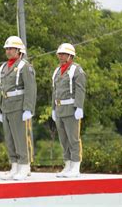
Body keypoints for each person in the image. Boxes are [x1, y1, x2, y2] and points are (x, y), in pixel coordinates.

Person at [0, 36, 37, 181]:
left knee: (20, 138)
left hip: (19, 106)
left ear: (19, 51)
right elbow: (2, 89)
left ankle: (24, 166)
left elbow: (30, 88)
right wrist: (0, 109)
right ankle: (14, 165)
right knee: (9, 138)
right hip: (7, 105)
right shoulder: (4, 67)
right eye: (7, 49)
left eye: (11, 49)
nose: (8, 51)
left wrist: (28, 108)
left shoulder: (24, 66)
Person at [51, 43, 86, 178]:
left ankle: (76, 165)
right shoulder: (57, 71)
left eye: (64, 54)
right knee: (63, 139)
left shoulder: (76, 70)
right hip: (59, 108)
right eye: (59, 54)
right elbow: (54, 91)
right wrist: (53, 108)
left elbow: (80, 89)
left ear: (70, 56)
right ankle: (68, 164)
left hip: (71, 108)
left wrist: (79, 106)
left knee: (73, 138)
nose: (61, 56)